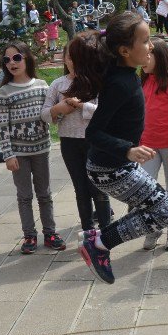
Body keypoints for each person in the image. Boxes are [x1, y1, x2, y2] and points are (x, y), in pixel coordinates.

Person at [77, 13, 168, 285]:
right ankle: (99, 243)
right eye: (145, 41)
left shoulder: (125, 74)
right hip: (109, 169)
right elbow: (94, 132)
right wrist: (127, 150)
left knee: (154, 208)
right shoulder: (120, 84)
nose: (151, 45)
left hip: (116, 165)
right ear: (124, 50)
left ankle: (96, 239)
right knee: (166, 211)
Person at [0, 41, 62, 255]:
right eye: (7, 60)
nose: (12, 63)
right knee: (24, 195)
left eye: (16, 58)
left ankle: (50, 232)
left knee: (45, 193)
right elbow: (2, 125)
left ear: (27, 58)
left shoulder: (43, 85)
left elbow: (50, 114)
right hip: (19, 154)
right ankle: (29, 235)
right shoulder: (5, 92)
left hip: (41, 150)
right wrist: (8, 154)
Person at [42, 34, 111, 231]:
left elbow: (103, 112)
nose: (73, 62)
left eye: (77, 57)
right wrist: (59, 109)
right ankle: (88, 229)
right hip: (69, 143)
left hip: (93, 141)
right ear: (64, 59)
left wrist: (80, 106)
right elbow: (45, 114)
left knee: (97, 187)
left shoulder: (96, 82)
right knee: (80, 188)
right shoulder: (57, 84)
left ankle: (106, 230)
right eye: (69, 57)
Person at [139, 39, 168, 251]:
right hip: (148, 147)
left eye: (148, 55)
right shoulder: (143, 82)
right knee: (147, 190)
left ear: (160, 57)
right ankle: (153, 229)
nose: (144, 59)